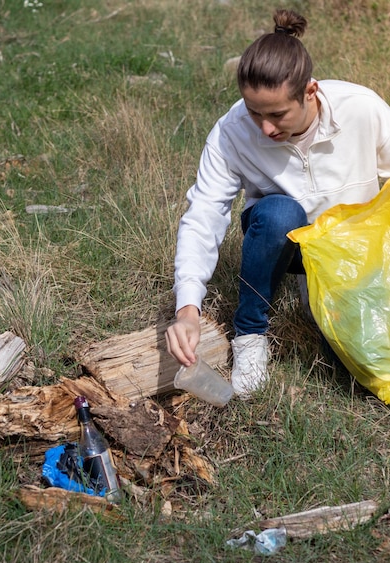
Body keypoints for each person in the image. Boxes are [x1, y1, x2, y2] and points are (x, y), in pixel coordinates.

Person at [165, 8, 390, 397]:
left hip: (361, 253)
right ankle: (250, 334)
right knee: (276, 212)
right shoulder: (232, 132)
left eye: (277, 114)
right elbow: (203, 216)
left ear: (310, 92)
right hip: (296, 248)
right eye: (255, 112)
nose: (266, 128)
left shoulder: (362, 108)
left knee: (361, 371)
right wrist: (187, 309)